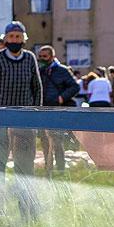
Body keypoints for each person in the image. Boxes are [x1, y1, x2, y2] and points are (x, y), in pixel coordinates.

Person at [0, 21, 43, 178]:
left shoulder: (30, 58)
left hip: (25, 120)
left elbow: (37, 88)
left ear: (23, 39)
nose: (15, 40)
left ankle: (25, 201)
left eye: (18, 36)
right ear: (6, 39)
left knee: (25, 166)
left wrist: (36, 114)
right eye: (12, 36)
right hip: (1, 120)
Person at [37, 45, 80, 175]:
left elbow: (75, 87)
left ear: (52, 56)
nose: (42, 59)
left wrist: (62, 97)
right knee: (44, 139)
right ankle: (48, 167)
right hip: (43, 109)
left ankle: (60, 167)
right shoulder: (40, 71)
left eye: (45, 56)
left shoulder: (62, 70)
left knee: (57, 140)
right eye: (40, 56)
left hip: (57, 109)